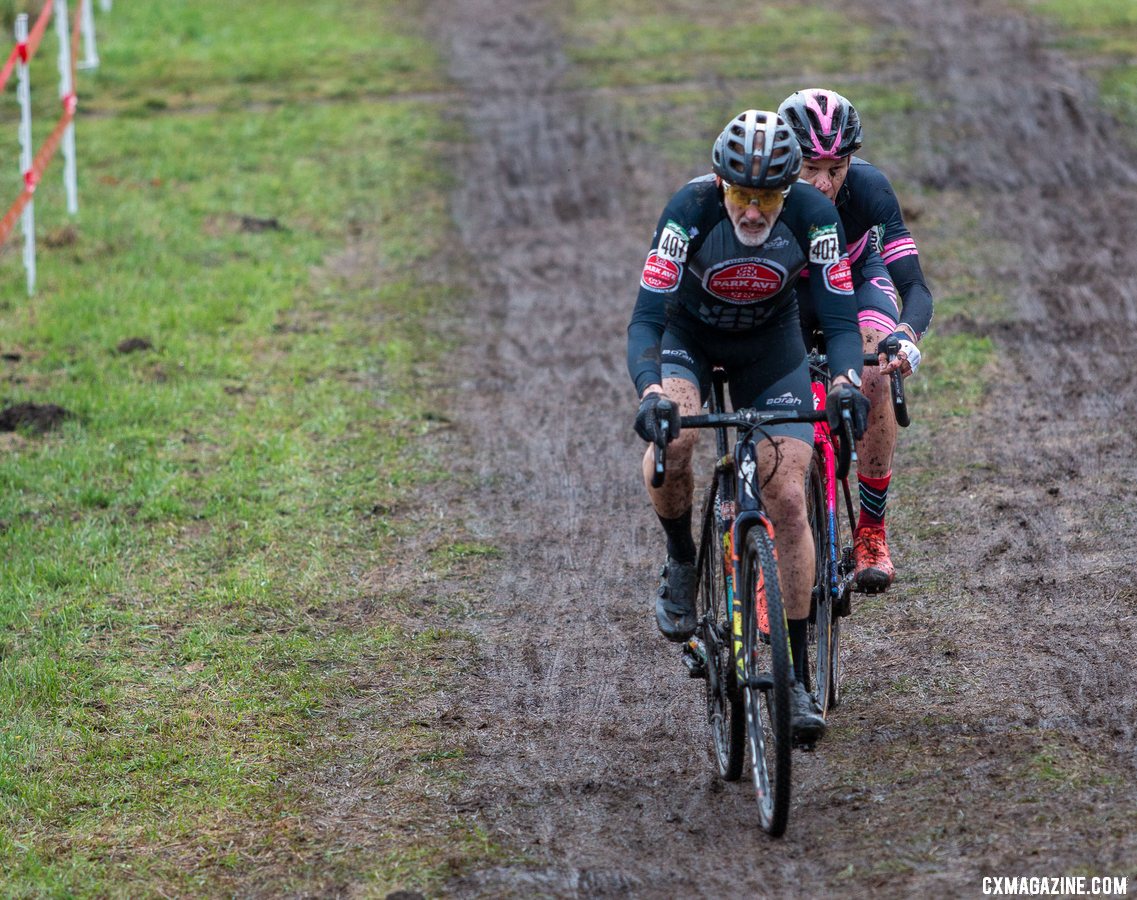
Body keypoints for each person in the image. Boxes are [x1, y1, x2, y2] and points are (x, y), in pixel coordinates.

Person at [627, 109, 871, 742]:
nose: (755, 211)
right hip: (689, 338)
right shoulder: (688, 209)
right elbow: (647, 319)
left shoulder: (816, 217)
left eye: (768, 196)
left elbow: (842, 321)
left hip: (770, 349)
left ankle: (792, 677)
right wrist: (652, 391)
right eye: (742, 194)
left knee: (788, 497)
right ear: (719, 183)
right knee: (674, 440)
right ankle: (682, 561)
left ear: (789, 191)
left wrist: (845, 384)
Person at [777, 89, 935, 594]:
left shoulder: (869, 189)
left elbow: (913, 285)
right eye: (809, 168)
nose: (824, 182)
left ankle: (870, 530)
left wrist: (905, 335)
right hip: (793, 293)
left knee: (874, 369)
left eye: (836, 166)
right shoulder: (764, 192)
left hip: (858, 280)